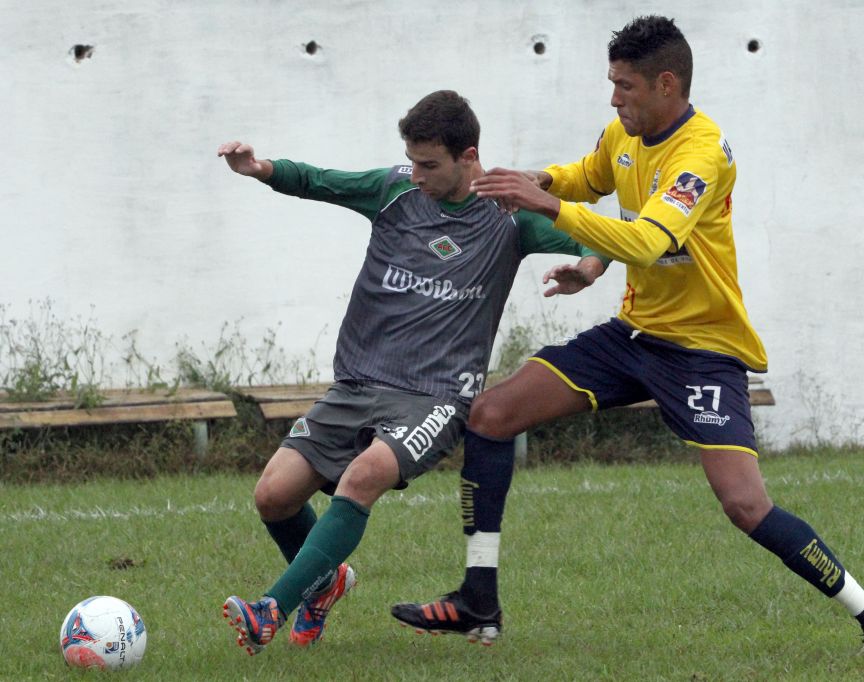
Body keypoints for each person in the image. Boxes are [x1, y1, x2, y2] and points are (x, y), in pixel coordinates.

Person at [391, 17, 864, 655]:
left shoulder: (701, 153)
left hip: (703, 351)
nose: (614, 98)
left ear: (666, 84)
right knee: (492, 413)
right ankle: (478, 602)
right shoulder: (626, 133)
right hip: (635, 336)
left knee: (745, 507)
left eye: (625, 86)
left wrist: (545, 206)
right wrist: (542, 185)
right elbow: (590, 175)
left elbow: (651, 238)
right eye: (612, 84)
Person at [216, 90, 608, 655]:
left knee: (362, 477)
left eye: (430, 165)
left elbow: (601, 236)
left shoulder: (509, 216)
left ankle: (271, 608)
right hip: (357, 384)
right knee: (273, 497)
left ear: (468, 156)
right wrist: (259, 169)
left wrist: (588, 269)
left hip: (437, 397)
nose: (417, 174)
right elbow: (322, 181)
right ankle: (325, 584)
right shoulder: (396, 189)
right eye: (413, 161)